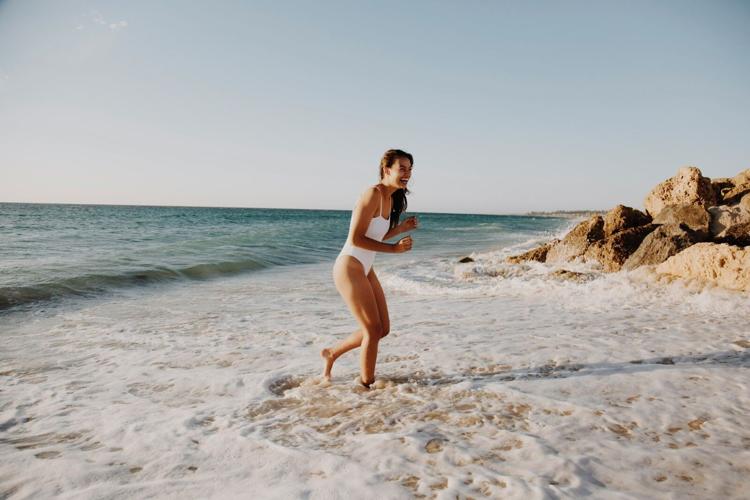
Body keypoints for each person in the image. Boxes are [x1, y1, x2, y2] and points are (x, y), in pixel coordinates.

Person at [321, 149, 418, 389]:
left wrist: (401, 228)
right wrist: (394, 250)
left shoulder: (390, 197)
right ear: (387, 170)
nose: (407, 174)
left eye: (410, 169)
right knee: (372, 330)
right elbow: (356, 239)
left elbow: (375, 233)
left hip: (365, 267)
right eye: (402, 168)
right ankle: (366, 387)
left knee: (382, 329)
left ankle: (332, 353)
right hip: (349, 266)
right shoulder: (372, 194)